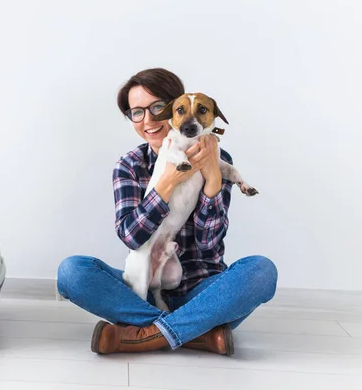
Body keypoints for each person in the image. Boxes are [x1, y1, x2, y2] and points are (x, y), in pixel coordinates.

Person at [56, 68, 278, 356]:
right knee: (72, 272)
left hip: (202, 292)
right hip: (143, 289)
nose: (149, 120)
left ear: (175, 105)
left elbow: (209, 246)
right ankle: (196, 334)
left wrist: (212, 178)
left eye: (157, 107)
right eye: (137, 112)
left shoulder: (218, 157)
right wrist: (167, 181)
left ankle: (143, 333)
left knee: (261, 271)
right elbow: (132, 239)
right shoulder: (130, 165)